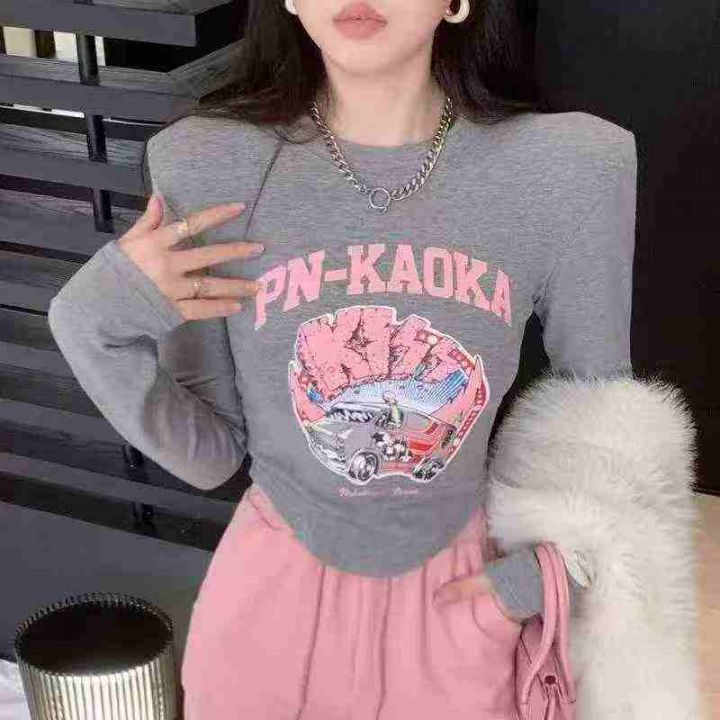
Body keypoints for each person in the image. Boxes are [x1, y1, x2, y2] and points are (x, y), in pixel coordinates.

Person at [47, 0, 638, 717]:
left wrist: (530, 587)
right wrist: (90, 321)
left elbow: (608, 428)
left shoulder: (565, 166)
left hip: (457, 610)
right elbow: (211, 453)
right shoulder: (209, 163)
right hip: (268, 619)